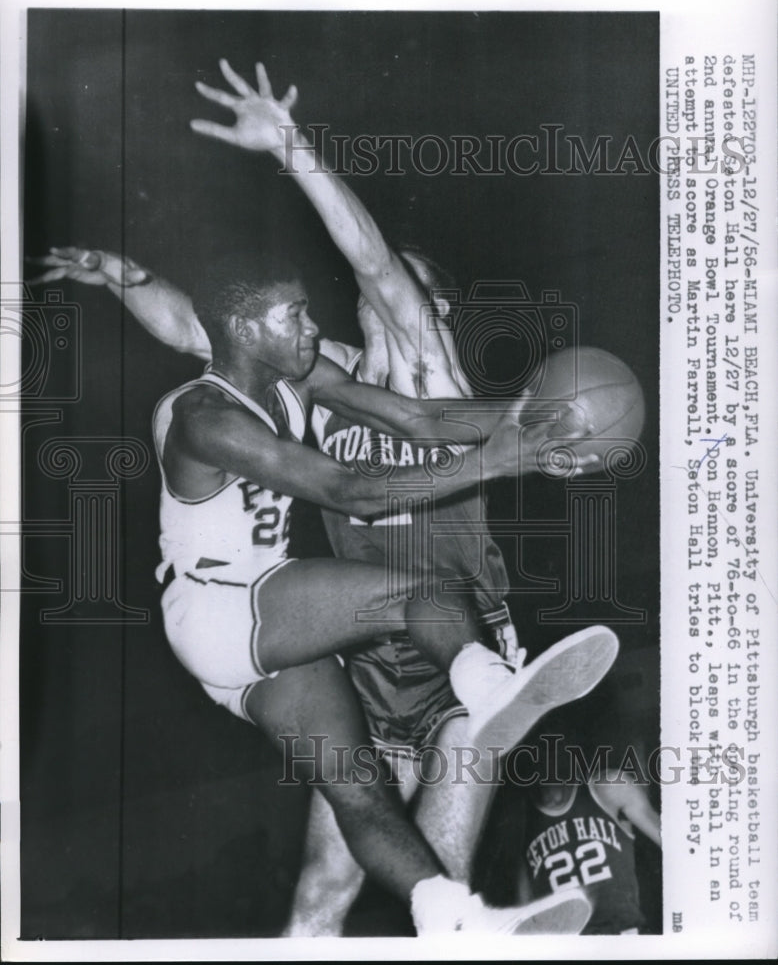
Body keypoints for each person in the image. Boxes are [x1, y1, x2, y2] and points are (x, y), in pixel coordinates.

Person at [29, 60, 620, 936]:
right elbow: (206, 329)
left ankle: (482, 756)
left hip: (456, 645)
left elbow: (377, 262)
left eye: (410, 294)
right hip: (361, 653)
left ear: (436, 309)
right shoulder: (324, 372)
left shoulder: (431, 367)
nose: (381, 297)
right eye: (367, 298)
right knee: (321, 891)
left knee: (442, 877)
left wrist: (547, 434)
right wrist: (126, 279)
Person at [474, 733, 661, 935]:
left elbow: (674, 842)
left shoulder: (607, 787)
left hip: (620, 937)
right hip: (568, 943)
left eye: (552, 752)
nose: (546, 763)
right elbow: (528, 915)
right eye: (536, 756)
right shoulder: (520, 827)